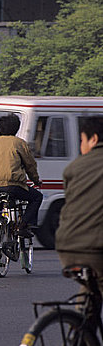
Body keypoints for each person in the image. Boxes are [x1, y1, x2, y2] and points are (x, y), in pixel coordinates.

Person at [55, 117, 103, 307]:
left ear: (93, 139)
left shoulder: (73, 167)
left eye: (81, 140)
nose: (81, 145)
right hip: (96, 248)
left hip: (66, 247)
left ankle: (80, 333)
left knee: (91, 288)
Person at [0, 113, 43, 238]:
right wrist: (36, 180)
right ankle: (23, 226)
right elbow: (30, 165)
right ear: (16, 128)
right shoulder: (19, 143)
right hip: (14, 186)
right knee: (36, 197)